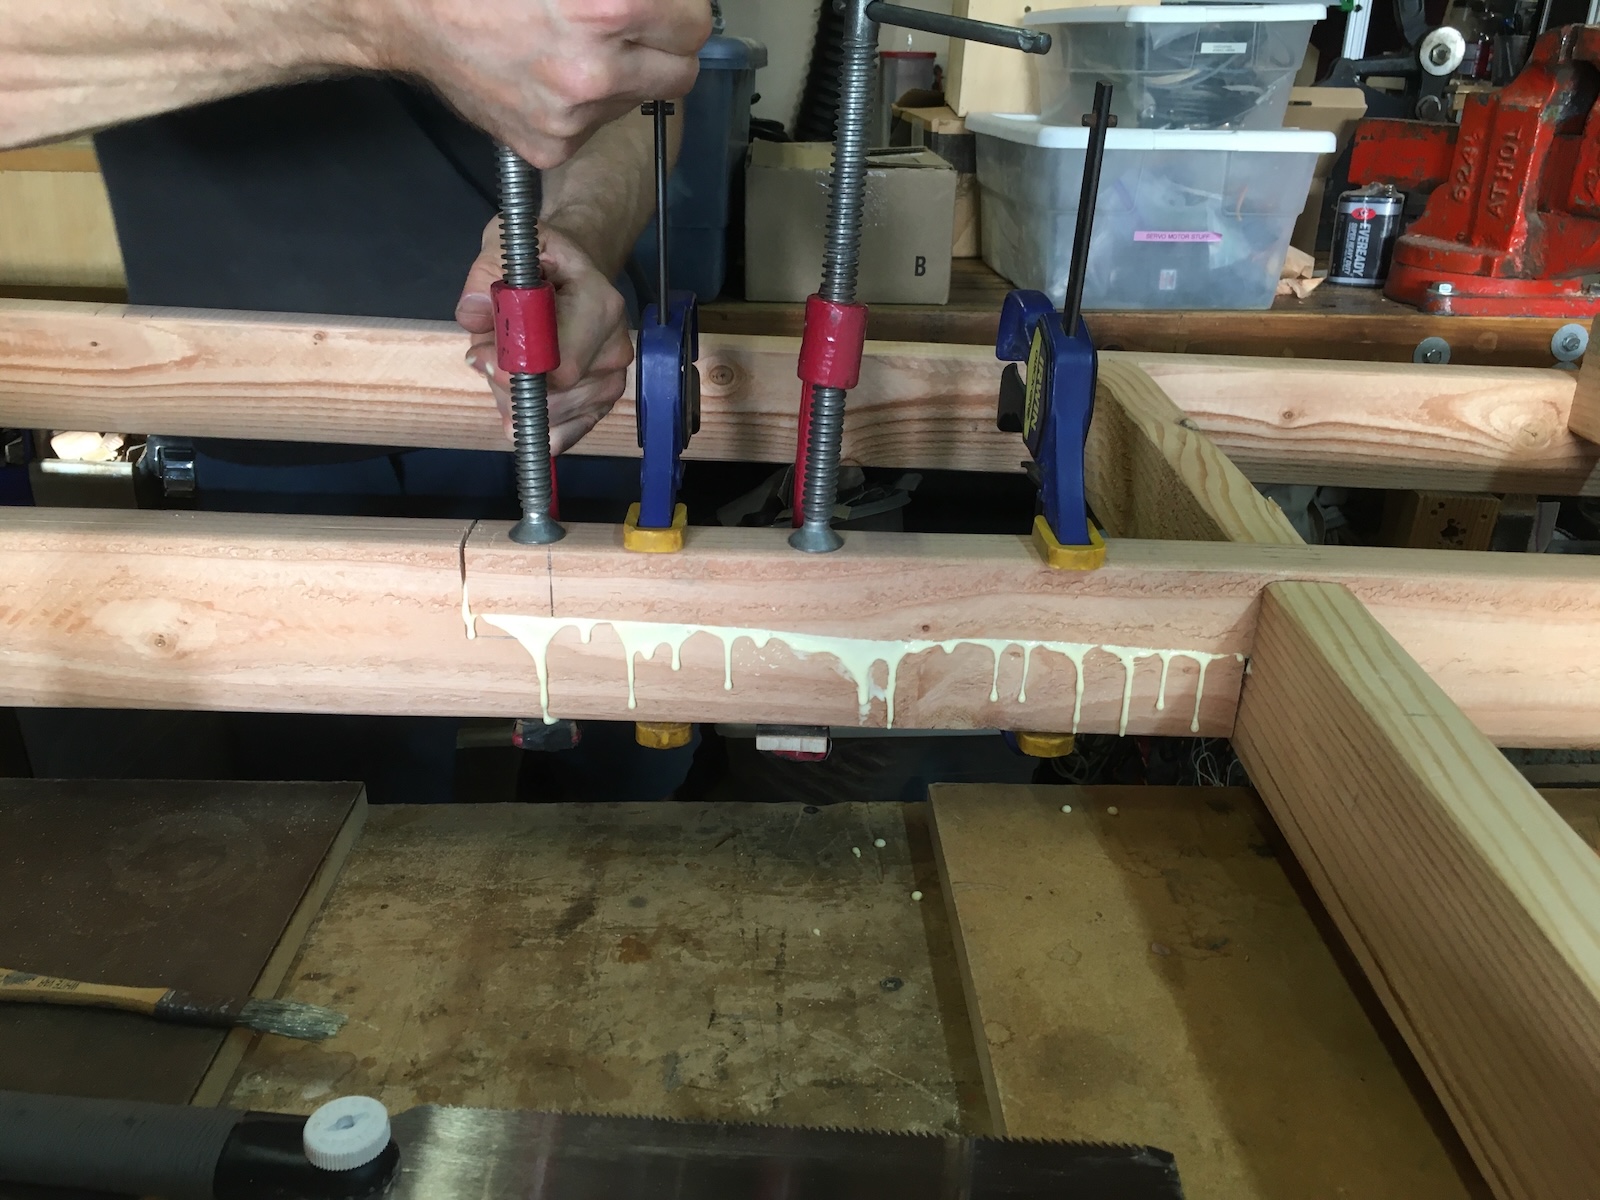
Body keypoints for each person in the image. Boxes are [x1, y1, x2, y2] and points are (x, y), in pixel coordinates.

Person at [2, 1, 712, 801]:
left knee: (619, 775)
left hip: (569, 377)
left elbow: (634, 78)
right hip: (265, 406)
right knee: (340, 807)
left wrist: (580, 228)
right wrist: (393, 23)